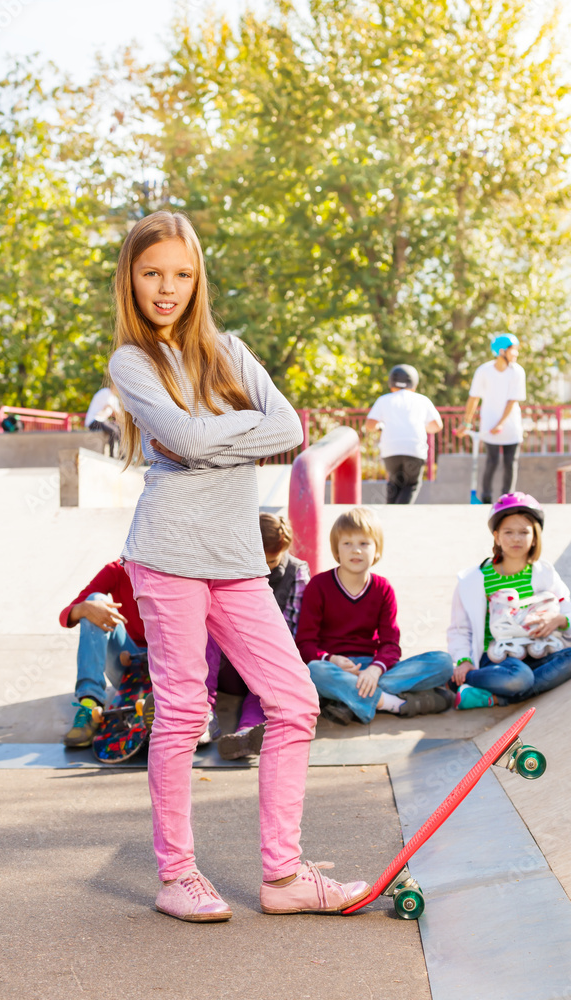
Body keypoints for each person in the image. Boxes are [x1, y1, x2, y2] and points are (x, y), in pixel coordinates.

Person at [108, 210, 370, 921]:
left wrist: (198, 442)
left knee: (294, 701)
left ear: (199, 280)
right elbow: (197, 438)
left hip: (234, 557)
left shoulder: (228, 349)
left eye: (182, 275)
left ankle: (282, 879)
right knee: (184, 710)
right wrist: (227, 437)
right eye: (152, 273)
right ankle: (177, 875)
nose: (167, 288)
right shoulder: (131, 363)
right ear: (130, 279)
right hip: (166, 554)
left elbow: (287, 430)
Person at [296, 507, 453, 724]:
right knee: (313, 671)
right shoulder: (319, 586)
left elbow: (391, 645)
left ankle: (348, 698)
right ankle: (393, 703)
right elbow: (305, 643)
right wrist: (331, 659)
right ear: (337, 549)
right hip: (333, 667)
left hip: (372, 665)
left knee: (443, 662)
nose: (356, 551)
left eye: (364, 543)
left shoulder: (383, 588)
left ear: (376, 549)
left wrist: (374, 670)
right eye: (347, 543)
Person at [448, 493, 571, 709]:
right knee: (520, 677)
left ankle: (497, 697)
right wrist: (463, 661)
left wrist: (559, 619)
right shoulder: (473, 580)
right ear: (496, 537)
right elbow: (459, 629)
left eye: (524, 532)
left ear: (535, 537)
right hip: (496, 658)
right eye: (508, 532)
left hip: (536, 650)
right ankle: (465, 680)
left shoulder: (545, 574)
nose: (516, 538)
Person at [207, 513, 311, 760]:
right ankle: (203, 715)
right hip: (227, 665)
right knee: (208, 632)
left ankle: (248, 734)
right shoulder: (228, 566)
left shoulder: (297, 573)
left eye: (272, 562)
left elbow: (290, 632)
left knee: (269, 660)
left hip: (264, 665)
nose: (264, 569)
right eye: (258, 561)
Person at [59, 560, 147, 747]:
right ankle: (90, 704)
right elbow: (65, 615)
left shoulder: (173, 570)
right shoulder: (116, 570)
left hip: (168, 664)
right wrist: (84, 608)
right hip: (125, 665)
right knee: (94, 601)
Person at [455, 334, 526, 503]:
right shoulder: (484, 371)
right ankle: (486, 497)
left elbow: (512, 400)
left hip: (510, 426)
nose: (515, 354)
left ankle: (507, 499)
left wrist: (500, 423)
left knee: (510, 463)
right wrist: (466, 422)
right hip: (488, 424)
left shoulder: (517, 371)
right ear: (501, 351)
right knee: (491, 462)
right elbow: (474, 398)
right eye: (513, 350)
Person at [365, 364, 442, 504]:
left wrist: (380, 427)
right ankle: (399, 517)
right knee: (410, 485)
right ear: (414, 383)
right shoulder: (422, 400)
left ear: (391, 383)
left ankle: (390, 515)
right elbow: (437, 425)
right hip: (415, 448)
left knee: (394, 483)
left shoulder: (384, 400)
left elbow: (369, 425)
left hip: (390, 449)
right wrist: (422, 427)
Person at [85, 382, 122, 457]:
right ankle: (112, 455)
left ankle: (120, 454)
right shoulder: (105, 392)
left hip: (102, 420)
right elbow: (114, 409)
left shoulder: (115, 399)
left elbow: (119, 414)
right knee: (114, 430)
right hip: (94, 420)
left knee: (119, 429)